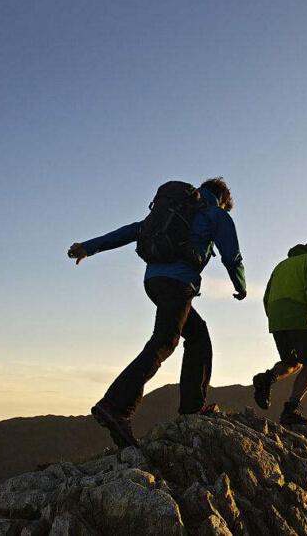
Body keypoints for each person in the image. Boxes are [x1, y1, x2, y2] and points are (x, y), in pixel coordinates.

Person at [67, 177, 247, 448]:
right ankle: (116, 405)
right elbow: (232, 255)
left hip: (153, 281)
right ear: (223, 199)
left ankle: (192, 406)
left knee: (198, 335)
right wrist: (241, 286)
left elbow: (131, 231)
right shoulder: (214, 213)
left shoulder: (171, 210)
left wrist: (89, 247)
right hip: (178, 283)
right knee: (164, 341)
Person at [252, 241, 307, 427]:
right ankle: (291, 410)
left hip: (277, 319)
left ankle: (267, 378)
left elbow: (266, 296)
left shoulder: (281, 266)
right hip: (299, 316)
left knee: (292, 362)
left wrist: (275, 318)